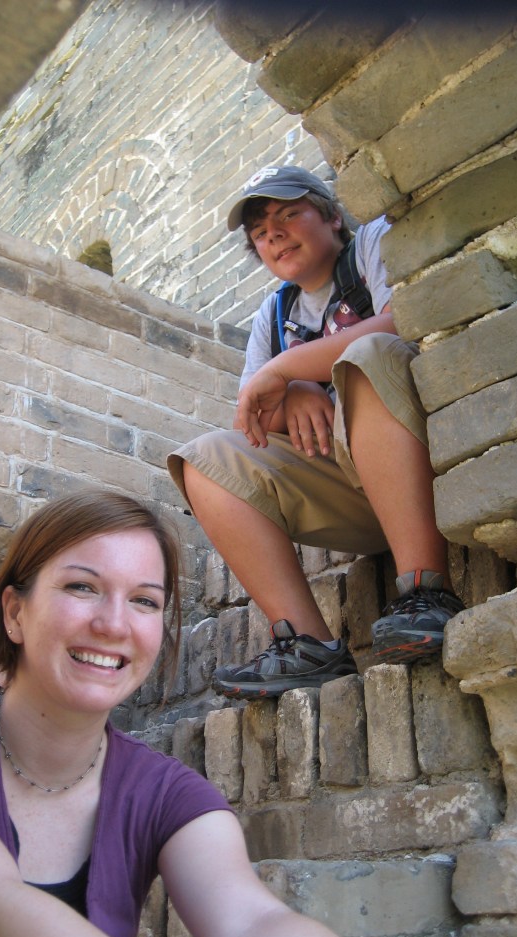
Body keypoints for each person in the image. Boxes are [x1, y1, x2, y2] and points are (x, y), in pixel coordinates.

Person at [0, 489, 419, 937]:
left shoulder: (170, 794)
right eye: (82, 587)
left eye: (144, 600)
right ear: (14, 614)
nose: (114, 624)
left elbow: (251, 926)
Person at [168, 165, 464, 699]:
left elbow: (405, 319)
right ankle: (307, 643)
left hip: (423, 460)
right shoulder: (275, 312)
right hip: (347, 489)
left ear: (330, 215)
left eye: (288, 214)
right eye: (260, 232)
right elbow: (253, 411)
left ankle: (426, 591)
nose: (274, 234)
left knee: (367, 352)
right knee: (202, 458)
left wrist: (295, 369)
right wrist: (295, 384)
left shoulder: (372, 241)